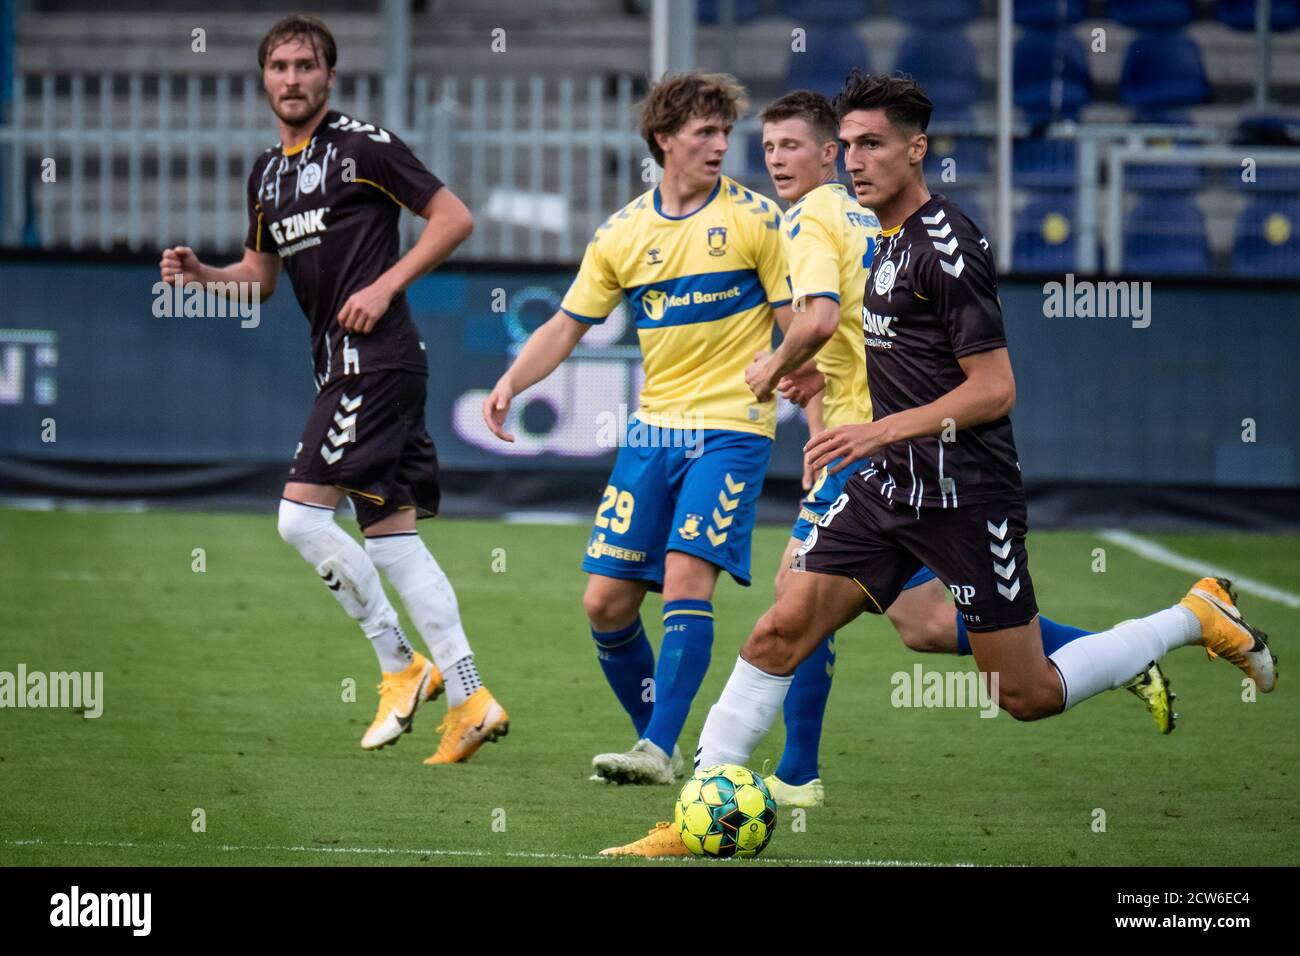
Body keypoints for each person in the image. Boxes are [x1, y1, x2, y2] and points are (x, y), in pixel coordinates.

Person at [601, 71, 1273, 856]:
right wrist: (825, 386)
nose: (854, 159)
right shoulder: (878, 239)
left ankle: (1189, 618)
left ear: (917, 150)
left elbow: (995, 389)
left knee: (1024, 693)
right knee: (779, 632)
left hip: (965, 496)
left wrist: (877, 432)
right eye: (846, 144)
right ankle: (695, 815)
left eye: (873, 144)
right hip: (888, 489)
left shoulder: (946, 249)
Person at [749, 90, 1171, 811]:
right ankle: (775, 775)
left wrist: (781, 370)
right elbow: (859, 339)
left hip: (910, 463)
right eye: (766, 149)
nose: (779, 161)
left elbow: (822, 321)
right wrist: (823, 393)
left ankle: (791, 774)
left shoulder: (822, 217)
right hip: (880, 463)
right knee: (915, 626)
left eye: (794, 146)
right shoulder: (876, 232)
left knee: (803, 606)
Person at [160, 15, 507, 765]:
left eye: (305, 66)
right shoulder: (266, 175)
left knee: (298, 519)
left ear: (330, 76)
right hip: (350, 365)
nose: (292, 79)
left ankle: (399, 665)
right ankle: (472, 698)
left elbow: (454, 217)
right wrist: (204, 279)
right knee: (392, 539)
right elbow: (257, 281)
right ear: (264, 79)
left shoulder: (362, 147)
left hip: (373, 361)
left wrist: (384, 286)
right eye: (279, 67)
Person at [482, 72, 792, 784]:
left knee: (687, 578)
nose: (719, 145)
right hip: (653, 433)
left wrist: (790, 366)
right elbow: (565, 325)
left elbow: (793, 320)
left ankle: (655, 750)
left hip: (731, 428)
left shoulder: (756, 220)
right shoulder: (623, 232)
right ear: (664, 140)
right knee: (605, 602)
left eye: (723, 133)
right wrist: (511, 382)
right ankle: (660, 742)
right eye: (703, 133)